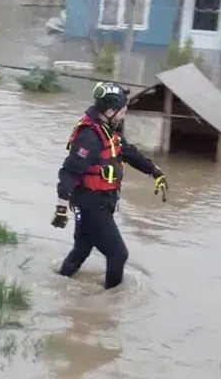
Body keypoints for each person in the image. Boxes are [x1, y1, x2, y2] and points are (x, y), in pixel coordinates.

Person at [52, 82, 168, 290]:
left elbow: (129, 152)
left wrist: (155, 172)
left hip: (94, 204)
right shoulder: (89, 137)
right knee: (118, 254)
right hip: (91, 206)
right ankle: (112, 299)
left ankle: (58, 285)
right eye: (122, 111)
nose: (124, 115)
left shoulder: (107, 130)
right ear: (110, 111)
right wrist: (61, 209)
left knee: (82, 249)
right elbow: (69, 172)